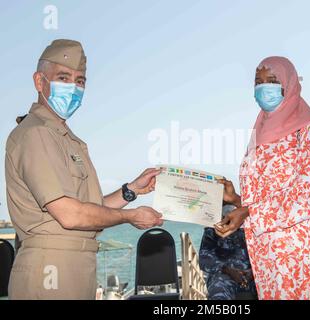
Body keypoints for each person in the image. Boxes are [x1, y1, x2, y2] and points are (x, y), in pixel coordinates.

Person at [5, 39, 163, 300]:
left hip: (76, 266)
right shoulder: (35, 134)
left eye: (80, 81)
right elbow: (70, 214)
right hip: (50, 269)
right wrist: (131, 216)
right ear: (39, 81)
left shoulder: (63, 137)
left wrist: (131, 190)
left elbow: (89, 207)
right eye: (63, 77)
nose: (73, 88)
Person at [215, 56, 310, 300]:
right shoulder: (258, 137)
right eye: (258, 81)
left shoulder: (309, 130)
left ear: (289, 85)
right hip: (269, 259)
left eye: (272, 80)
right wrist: (237, 200)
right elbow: (265, 199)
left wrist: (249, 212)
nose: (264, 87)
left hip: (307, 256)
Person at [199, 205, 257, 300]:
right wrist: (228, 270)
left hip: (253, 277)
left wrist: (252, 272)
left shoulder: (252, 230)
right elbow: (205, 261)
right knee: (218, 290)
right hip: (223, 276)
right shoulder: (211, 231)